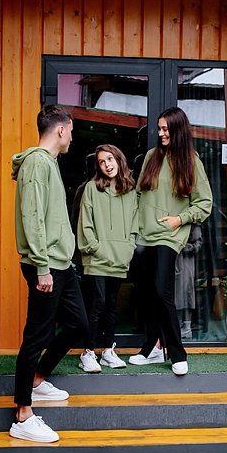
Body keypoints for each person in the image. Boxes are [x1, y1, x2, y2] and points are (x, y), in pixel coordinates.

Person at [10, 105, 88, 443]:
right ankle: (23, 414)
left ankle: (38, 379)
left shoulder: (50, 163)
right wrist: (42, 268)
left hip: (61, 263)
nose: (72, 137)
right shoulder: (37, 163)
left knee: (78, 325)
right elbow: (32, 218)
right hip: (46, 265)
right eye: (71, 131)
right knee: (37, 335)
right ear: (61, 128)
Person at [129, 106, 213, 375]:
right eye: (159, 129)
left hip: (169, 235)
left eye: (166, 129)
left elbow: (205, 203)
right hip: (144, 236)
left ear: (178, 130)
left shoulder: (191, 161)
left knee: (160, 290)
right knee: (146, 293)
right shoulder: (151, 157)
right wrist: (134, 229)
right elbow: (139, 195)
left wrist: (180, 219)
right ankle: (153, 348)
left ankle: (177, 352)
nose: (161, 133)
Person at [77, 144, 138, 372]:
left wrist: (128, 249)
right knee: (97, 304)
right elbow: (85, 224)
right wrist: (97, 248)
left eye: (110, 159)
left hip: (120, 259)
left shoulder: (131, 191)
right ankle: (88, 352)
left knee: (112, 305)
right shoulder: (91, 188)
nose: (107, 165)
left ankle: (108, 352)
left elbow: (134, 224)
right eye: (102, 162)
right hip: (97, 259)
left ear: (119, 159)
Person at [175, 222, 203, 340]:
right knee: (175, 295)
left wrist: (186, 247)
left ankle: (186, 328)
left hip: (185, 261)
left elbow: (198, 243)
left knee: (185, 294)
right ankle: (177, 326)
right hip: (173, 259)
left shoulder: (193, 221)